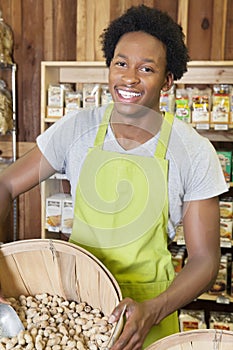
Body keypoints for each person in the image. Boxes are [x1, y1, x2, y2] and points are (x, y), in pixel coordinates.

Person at [0, 4, 228, 350]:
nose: (130, 77)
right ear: (109, 66)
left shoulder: (192, 151)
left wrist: (153, 311)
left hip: (150, 310)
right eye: (121, 63)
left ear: (167, 81)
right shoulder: (77, 128)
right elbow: (4, 184)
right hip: (78, 306)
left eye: (146, 68)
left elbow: (205, 260)